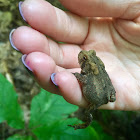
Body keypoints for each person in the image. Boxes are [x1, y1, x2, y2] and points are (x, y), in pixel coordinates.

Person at [9, 0, 140, 110]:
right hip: (104, 87)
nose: (83, 55)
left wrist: (73, 75)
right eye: (87, 56)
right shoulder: (94, 71)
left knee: (87, 106)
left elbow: (80, 77)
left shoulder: (88, 74)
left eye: (85, 58)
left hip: (96, 94)